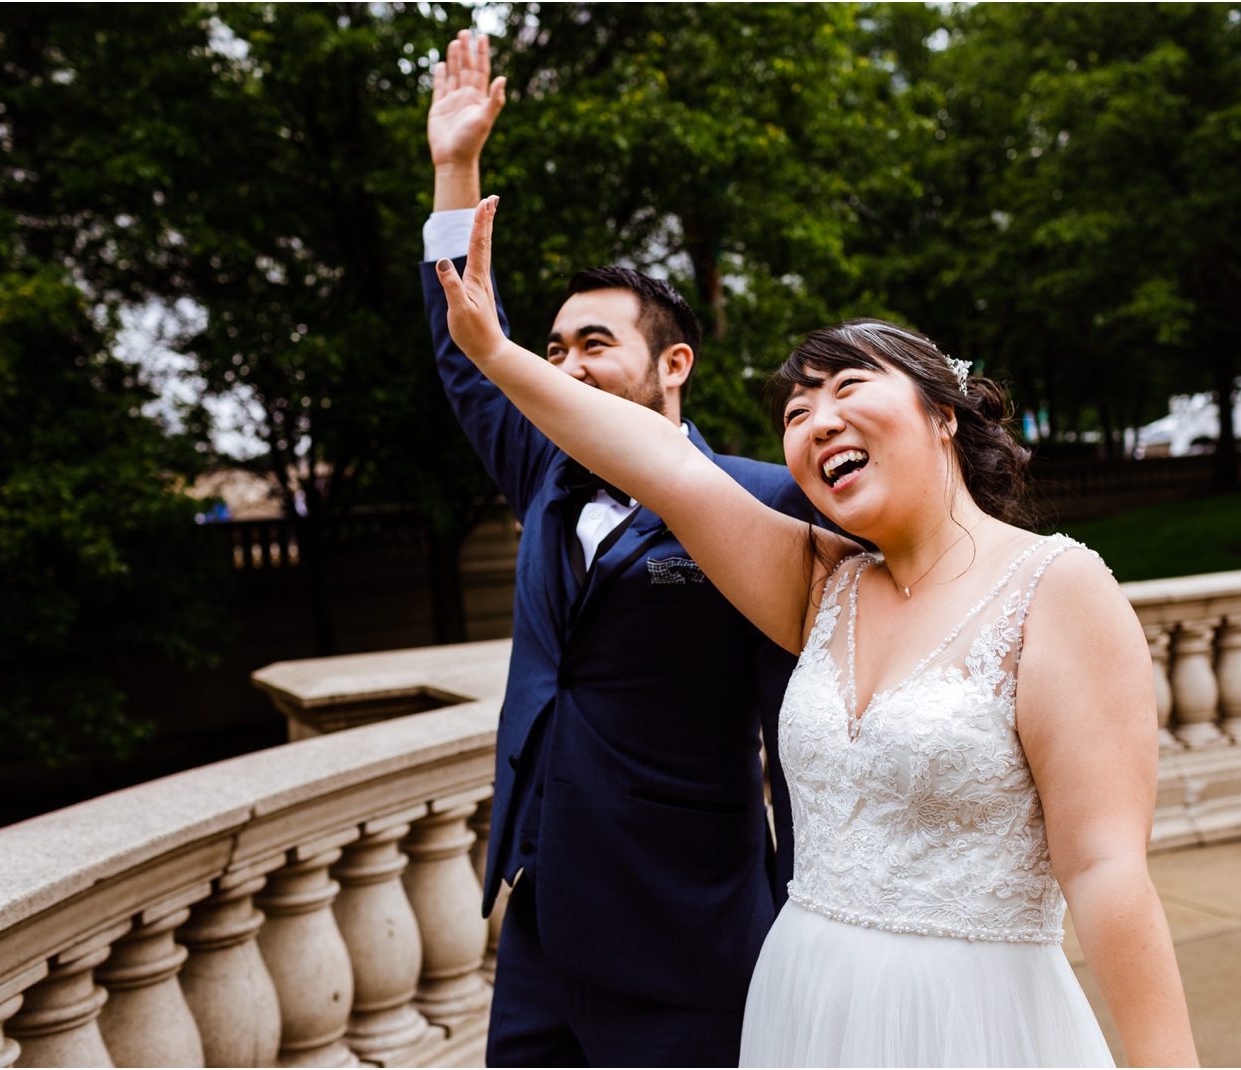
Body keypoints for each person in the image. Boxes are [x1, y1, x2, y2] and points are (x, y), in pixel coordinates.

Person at [434, 195, 1201, 1068]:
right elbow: (653, 457)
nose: (816, 420)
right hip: (802, 1004)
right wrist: (492, 353)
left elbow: (1105, 872)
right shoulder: (818, 582)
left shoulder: (1057, 586)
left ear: (943, 413)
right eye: (796, 413)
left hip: (970, 1023)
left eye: (846, 387)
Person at [422, 32, 823, 1067]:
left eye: (592, 344)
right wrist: (453, 170)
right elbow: (468, 347)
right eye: (552, 349)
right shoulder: (544, 472)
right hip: (541, 913)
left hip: (687, 920)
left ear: (673, 363)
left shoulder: (762, 498)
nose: (564, 366)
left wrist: (805, 917)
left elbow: (800, 730)